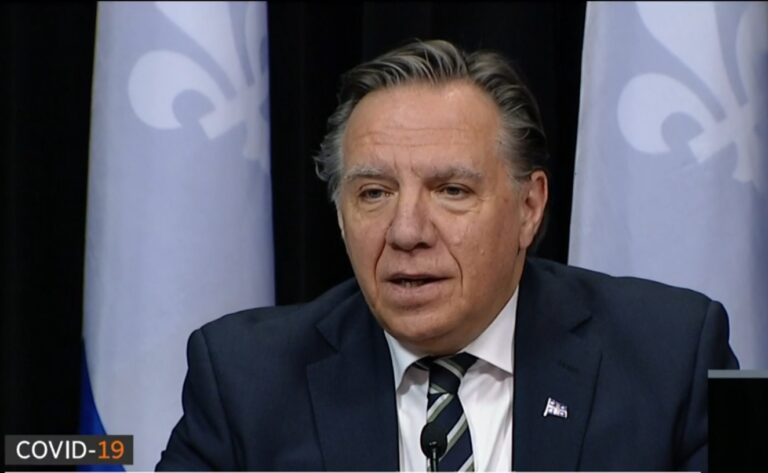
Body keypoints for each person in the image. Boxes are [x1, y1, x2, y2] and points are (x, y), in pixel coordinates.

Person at [156, 39, 739, 472]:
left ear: (529, 207)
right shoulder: (242, 378)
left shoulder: (680, 351)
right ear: (339, 214)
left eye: (452, 191)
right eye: (374, 193)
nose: (407, 231)